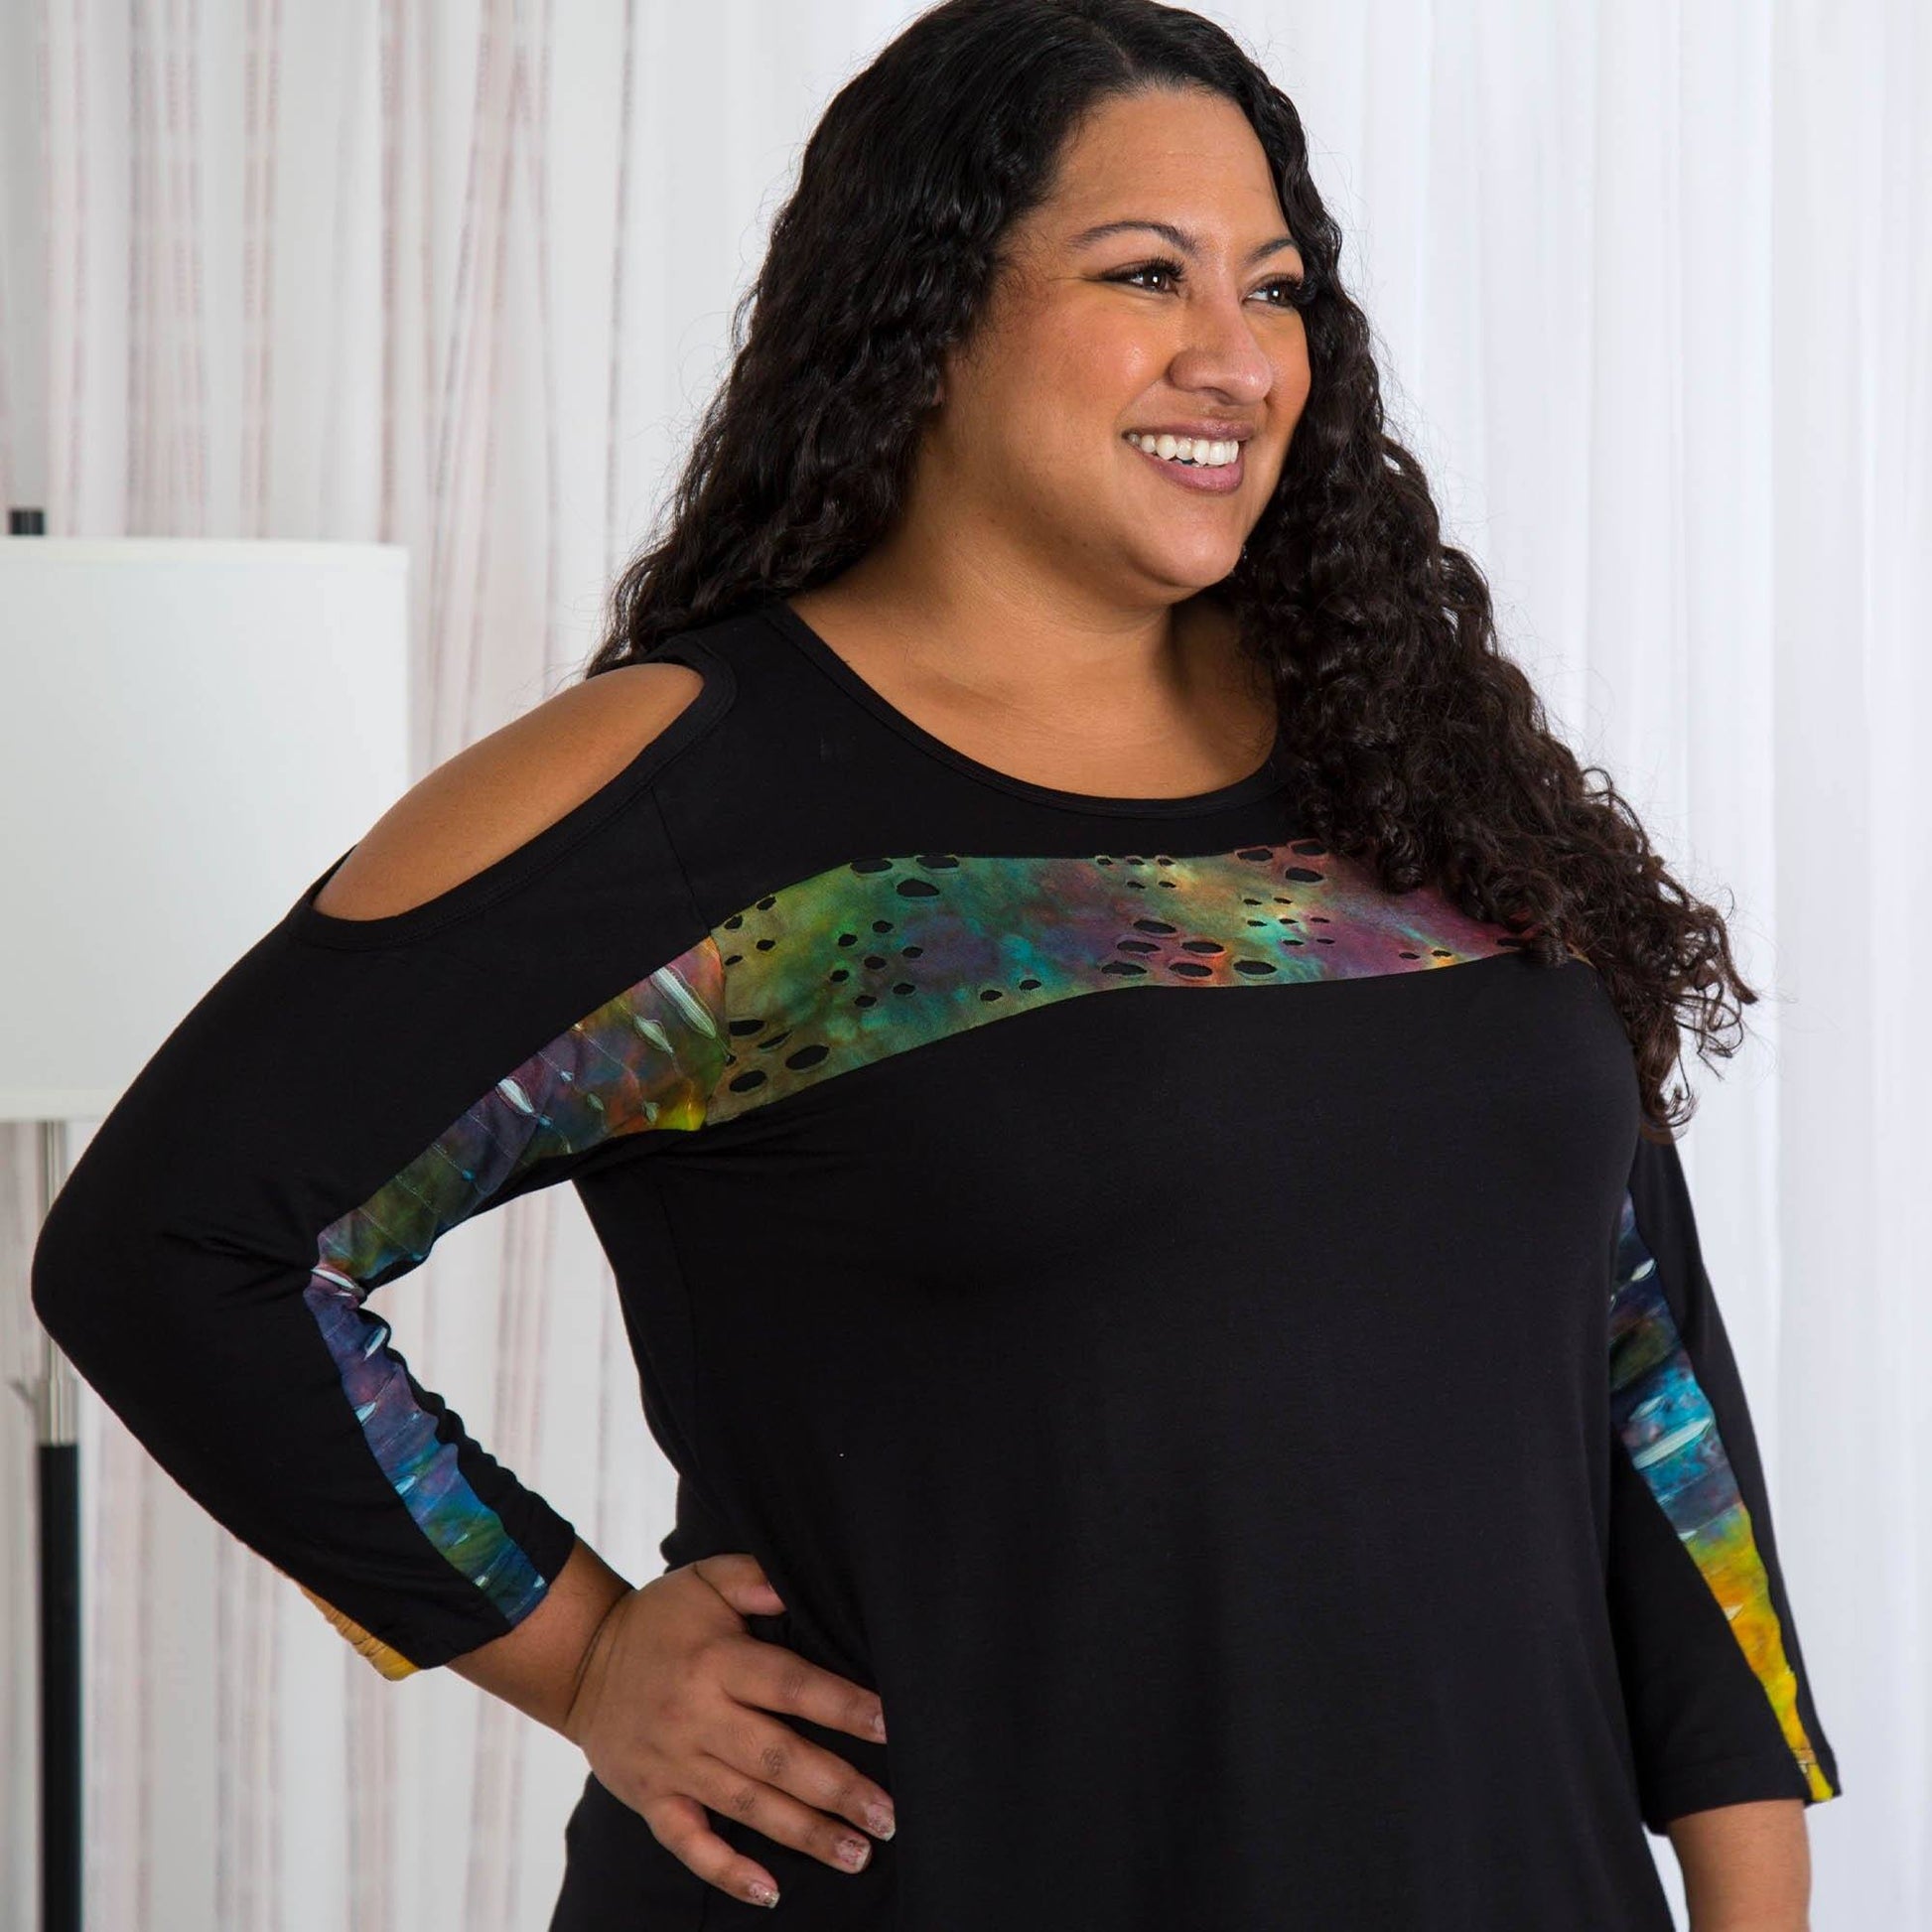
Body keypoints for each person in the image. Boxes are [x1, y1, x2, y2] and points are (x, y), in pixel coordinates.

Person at [29, 0, 1841, 1926]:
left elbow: (1643, 1371)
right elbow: (179, 1249)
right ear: (927, 306)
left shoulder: (1411, 754)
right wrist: (581, 1651)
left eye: (1275, 288)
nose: (1234, 356)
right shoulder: (691, 802)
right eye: (1143, 273)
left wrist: (1755, 1894)